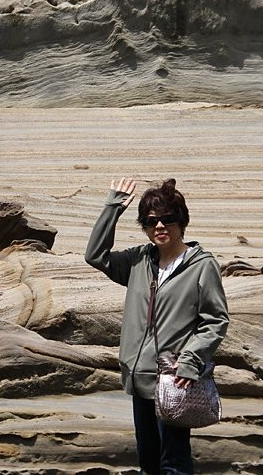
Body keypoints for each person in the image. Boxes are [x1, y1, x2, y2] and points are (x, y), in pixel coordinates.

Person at [85, 177, 229, 475]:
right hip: (140, 378)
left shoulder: (202, 265)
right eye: (151, 222)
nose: (160, 227)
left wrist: (190, 362)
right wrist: (112, 207)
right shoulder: (139, 260)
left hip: (175, 378)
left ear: (182, 222)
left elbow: (215, 320)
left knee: (173, 464)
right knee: (149, 462)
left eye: (168, 219)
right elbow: (95, 255)